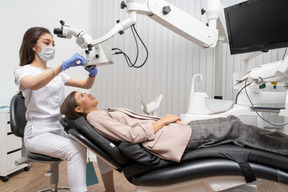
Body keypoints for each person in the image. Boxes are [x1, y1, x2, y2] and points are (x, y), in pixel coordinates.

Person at [14, 27, 115, 192]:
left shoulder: (55, 73)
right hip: (38, 133)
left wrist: (92, 73)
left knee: (100, 141)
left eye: (53, 43)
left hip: (60, 127)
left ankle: (110, 190)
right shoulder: (23, 71)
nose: (51, 47)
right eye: (46, 43)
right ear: (33, 46)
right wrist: (63, 66)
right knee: (74, 150)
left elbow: (85, 85)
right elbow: (32, 84)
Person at [60, 91, 288, 163]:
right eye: (82, 95)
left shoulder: (101, 113)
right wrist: (164, 121)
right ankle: (283, 149)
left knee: (233, 122)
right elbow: (130, 136)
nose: (88, 94)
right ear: (78, 108)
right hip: (169, 140)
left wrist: (168, 121)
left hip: (173, 132)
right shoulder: (96, 118)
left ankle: (282, 140)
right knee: (236, 130)